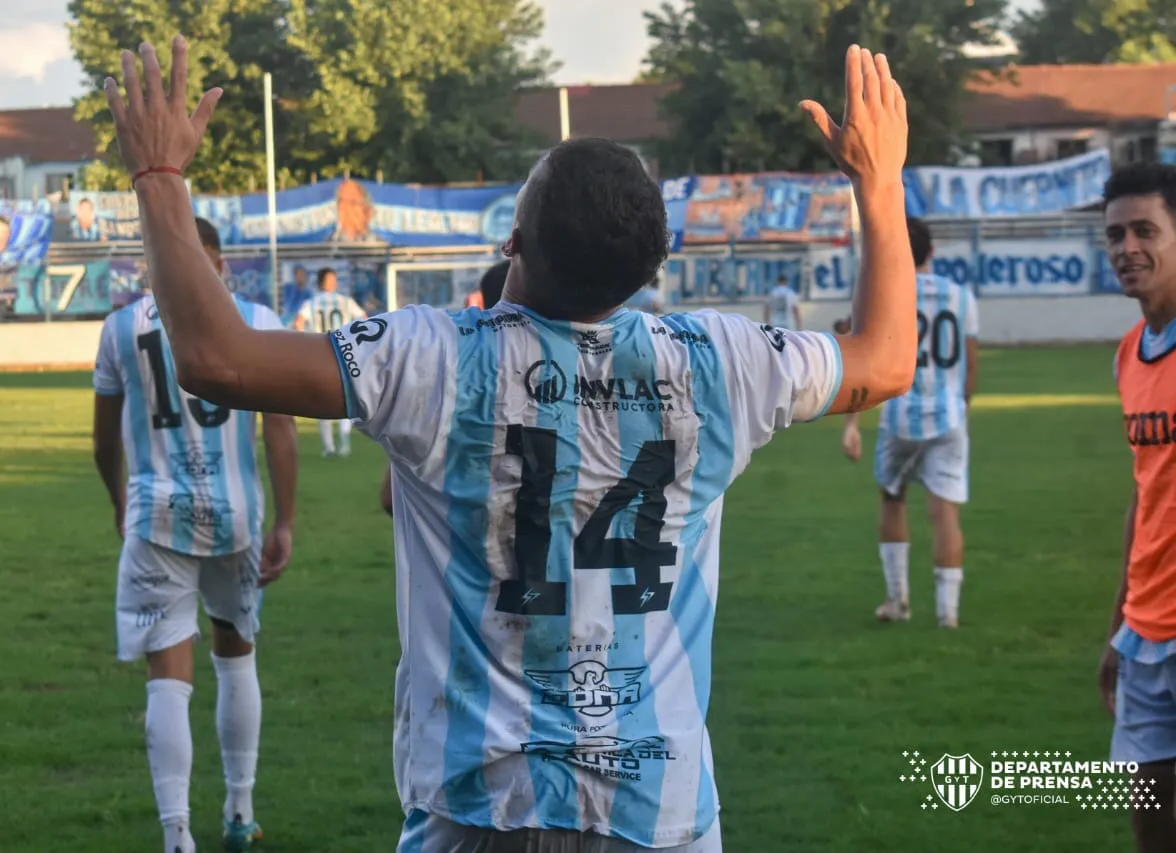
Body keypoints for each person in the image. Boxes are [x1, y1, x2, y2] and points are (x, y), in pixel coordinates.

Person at [106, 38, 915, 852]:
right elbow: (885, 358)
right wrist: (878, 182)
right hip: (655, 811)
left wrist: (160, 175)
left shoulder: (436, 356)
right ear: (651, 264)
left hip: (480, 807)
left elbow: (216, 360)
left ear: (513, 245)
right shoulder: (721, 362)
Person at [91, 216, 298, 853]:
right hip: (235, 516)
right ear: (218, 263)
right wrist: (285, 520)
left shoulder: (120, 327)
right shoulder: (258, 321)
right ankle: (240, 811)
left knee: (168, 676)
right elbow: (280, 430)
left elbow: (103, 438)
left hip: (157, 517)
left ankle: (177, 833)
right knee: (235, 654)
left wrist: (119, 499)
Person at [839, 217, 978, 629]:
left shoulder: (885, 293)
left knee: (892, 499)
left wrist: (852, 425)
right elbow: (971, 366)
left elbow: (865, 363)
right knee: (945, 512)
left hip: (899, 414)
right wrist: (961, 410)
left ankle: (898, 601)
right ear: (931, 253)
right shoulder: (961, 296)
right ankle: (947, 614)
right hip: (950, 416)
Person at [1098, 162, 1176, 853]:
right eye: (1116, 233)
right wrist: (1120, 622)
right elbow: (1146, 491)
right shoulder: (1129, 354)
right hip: (1146, 631)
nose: (1128, 247)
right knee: (1148, 806)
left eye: (1146, 229)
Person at [380, 259, 511, 515]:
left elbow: (389, 499)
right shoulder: (573, 376)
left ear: (482, 306)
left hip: (460, 542)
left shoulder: (448, 379)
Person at [293, 267, 368, 456]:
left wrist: (306, 343)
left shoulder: (311, 303)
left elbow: (298, 323)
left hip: (321, 355)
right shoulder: (345, 301)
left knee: (322, 400)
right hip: (344, 355)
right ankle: (344, 443)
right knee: (347, 398)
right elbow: (364, 320)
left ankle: (329, 447)